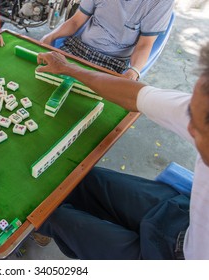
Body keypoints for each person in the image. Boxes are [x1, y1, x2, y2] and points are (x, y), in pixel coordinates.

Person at [32, 43, 209, 259]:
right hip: (179, 216)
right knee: (74, 178)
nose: (189, 128)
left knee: (48, 216)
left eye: (199, 129)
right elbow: (135, 96)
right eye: (191, 113)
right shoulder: (203, 106)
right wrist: (68, 68)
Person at [40, 0, 174, 80]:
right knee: (44, 73)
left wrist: (134, 71)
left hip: (112, 62)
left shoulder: (160, 2)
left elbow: (145, 44)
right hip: (77, 47)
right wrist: (50, 37)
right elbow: (76, 21)